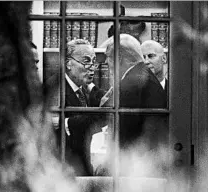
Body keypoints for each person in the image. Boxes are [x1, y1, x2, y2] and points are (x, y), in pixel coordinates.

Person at [98, 34, 167, 176]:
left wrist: (108, 166)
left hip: (137, 169)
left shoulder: (131, 83)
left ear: (119, 58)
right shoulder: (141, 75)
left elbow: (124, 134)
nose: (106, 62)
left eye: (108, 56)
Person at [48, 39, 107, 176]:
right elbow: (60, 129)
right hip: (64, 172)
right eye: (86, 61)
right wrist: (99, 113)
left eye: (93, 62)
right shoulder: (54, 90)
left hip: (81, 167)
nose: (92, 67)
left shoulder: (82, 90)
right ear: (68, 63)